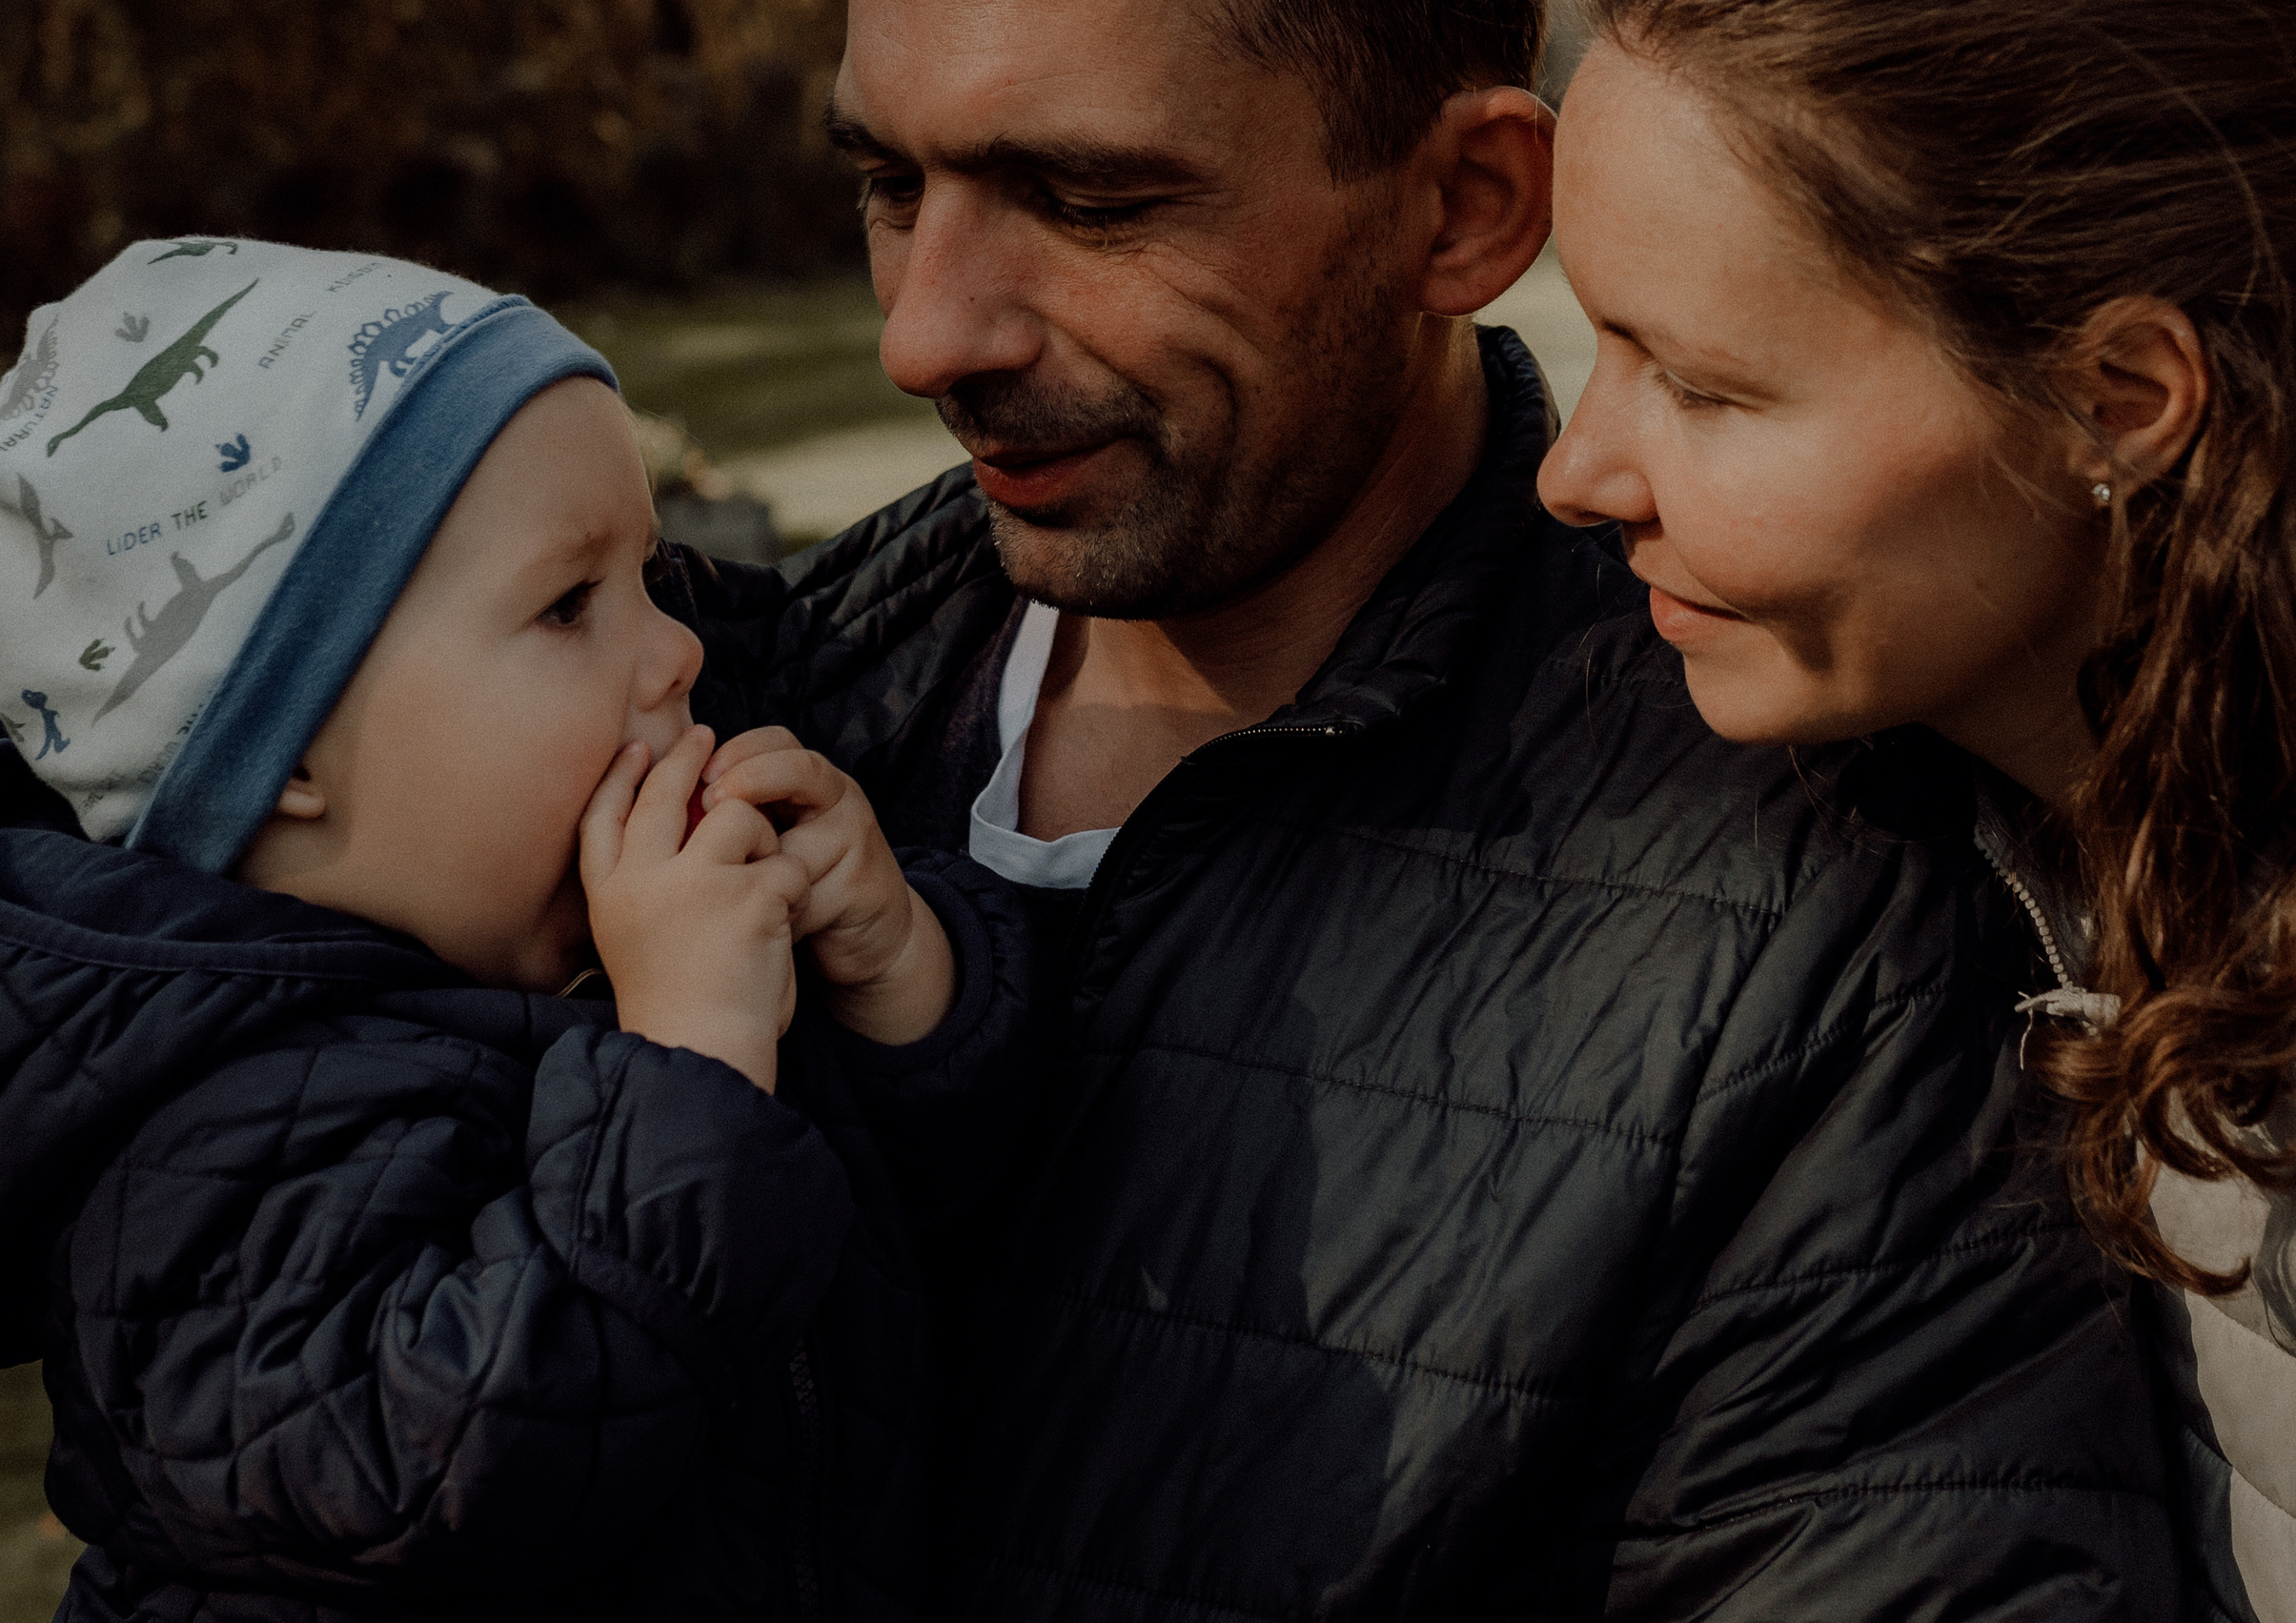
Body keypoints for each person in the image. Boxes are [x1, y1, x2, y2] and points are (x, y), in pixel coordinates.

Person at [665, 0, 2183, 1613]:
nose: (924, 337)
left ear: (1461, 206)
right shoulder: (703, 713)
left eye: (1092, 202)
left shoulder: (1819, 916)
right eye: (891, 186)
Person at [0, 239, 1031, 1622]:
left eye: (652, 576)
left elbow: (912, 1247)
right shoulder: (198, 1146)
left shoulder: (600, 967)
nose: (676, 655)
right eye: (568, 603)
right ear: (285, 744)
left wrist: (892, 966)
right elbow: (455, 1467)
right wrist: (699, 1052)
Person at [1534, 3, 2296, 1618]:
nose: (1582, 471)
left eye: (1708, 389)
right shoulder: (1948, 831)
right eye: (1597, 344)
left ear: (2120, 397)